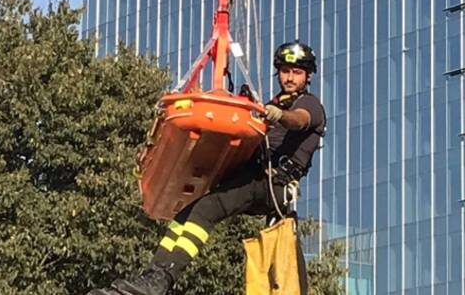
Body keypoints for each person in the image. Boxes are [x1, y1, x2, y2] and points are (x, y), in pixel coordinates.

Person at [90, 41, 326, 295]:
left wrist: (279, 116)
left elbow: (299, 121)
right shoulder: (274, 103)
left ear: (307, 75)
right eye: (285, 71)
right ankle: (153, 275)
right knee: (186, 214)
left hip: (274, 185)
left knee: (207, 209)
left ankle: (161, 281)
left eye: (296, 72)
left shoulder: (309, 104)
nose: (289, 77)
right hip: (255, 177)